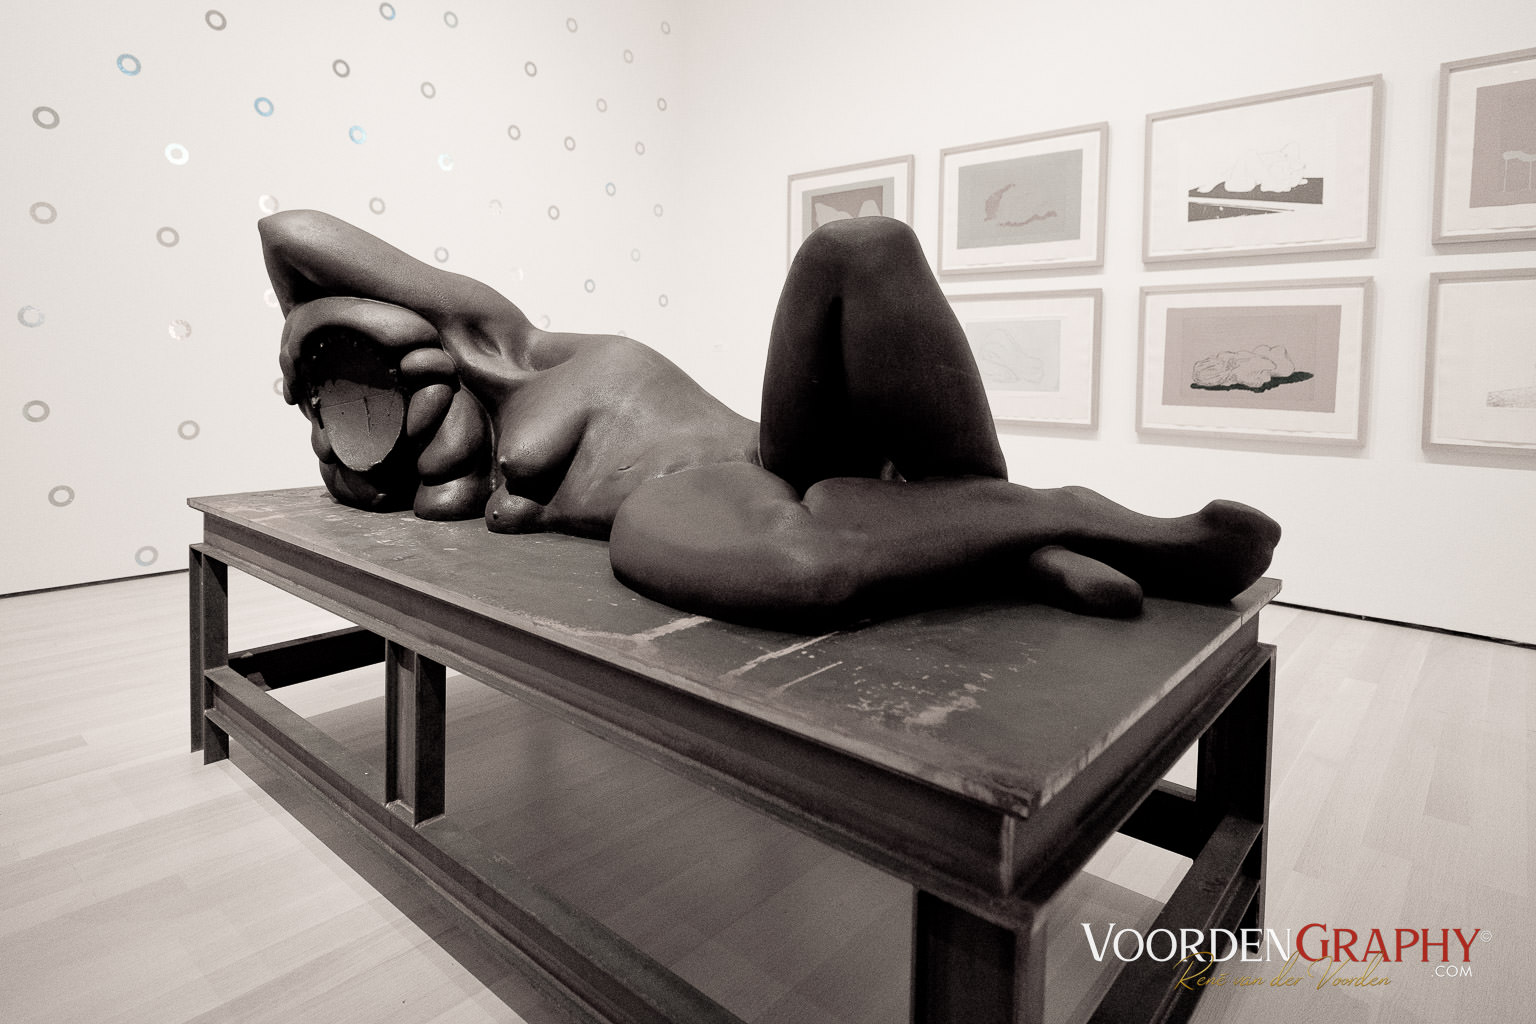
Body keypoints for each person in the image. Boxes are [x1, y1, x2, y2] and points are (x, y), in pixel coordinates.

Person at [260, 211, 1280, 630]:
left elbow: (289, 230)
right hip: (697, 501)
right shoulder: (464, 479)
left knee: (861, 245)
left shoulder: (508, 349)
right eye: (355, 417)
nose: (379, 414)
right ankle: (1041, 536)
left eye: (372, 385)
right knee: (804, 573)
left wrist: (296, 336)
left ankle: (1046, 518)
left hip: (778, 448)